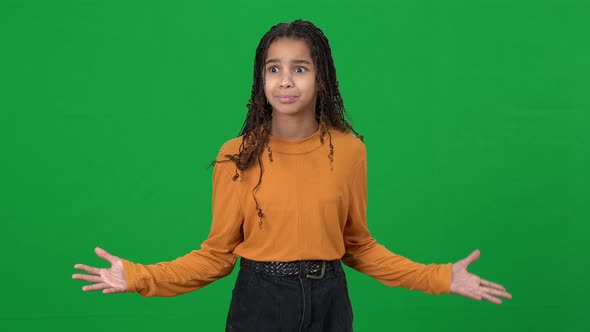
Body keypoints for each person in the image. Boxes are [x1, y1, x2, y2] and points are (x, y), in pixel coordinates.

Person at [72, 20, 512, 331]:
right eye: (274, 68)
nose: (286, 81)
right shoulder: (235, 157)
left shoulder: (350, 151)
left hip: (330, 303)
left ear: (321, 78)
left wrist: (439, 277)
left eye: (300, 68)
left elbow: (358, 246)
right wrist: (139, 276)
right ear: (261, 79)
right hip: (259, 302)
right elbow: (216, 256)